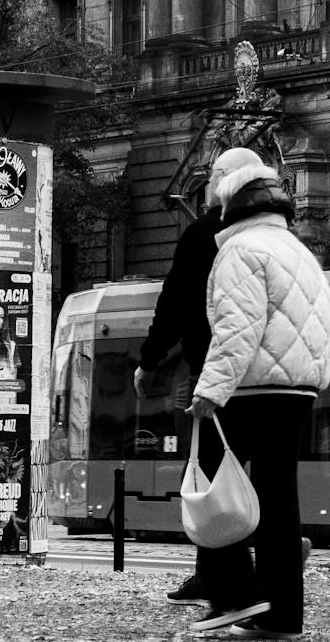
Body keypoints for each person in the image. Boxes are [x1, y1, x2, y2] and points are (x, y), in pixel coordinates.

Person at [188, 148, 330, 639]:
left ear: (233, 205)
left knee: (209, 481)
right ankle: (282, 617)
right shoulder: (297, 250)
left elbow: (238, 326)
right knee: (278, 501)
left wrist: (211, 389)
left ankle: (235, 592)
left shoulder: (239, 250)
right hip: (298, 388)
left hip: (252, 388)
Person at [135, 151, 232, 604]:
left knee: (210, 476)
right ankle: (270, 573)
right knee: (265, 476)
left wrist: (150, 359)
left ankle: (217, 576)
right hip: (281, 381)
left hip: (216, 371)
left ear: (218, 188)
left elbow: (173, 302)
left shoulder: (203, 234)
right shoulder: (280, 237)